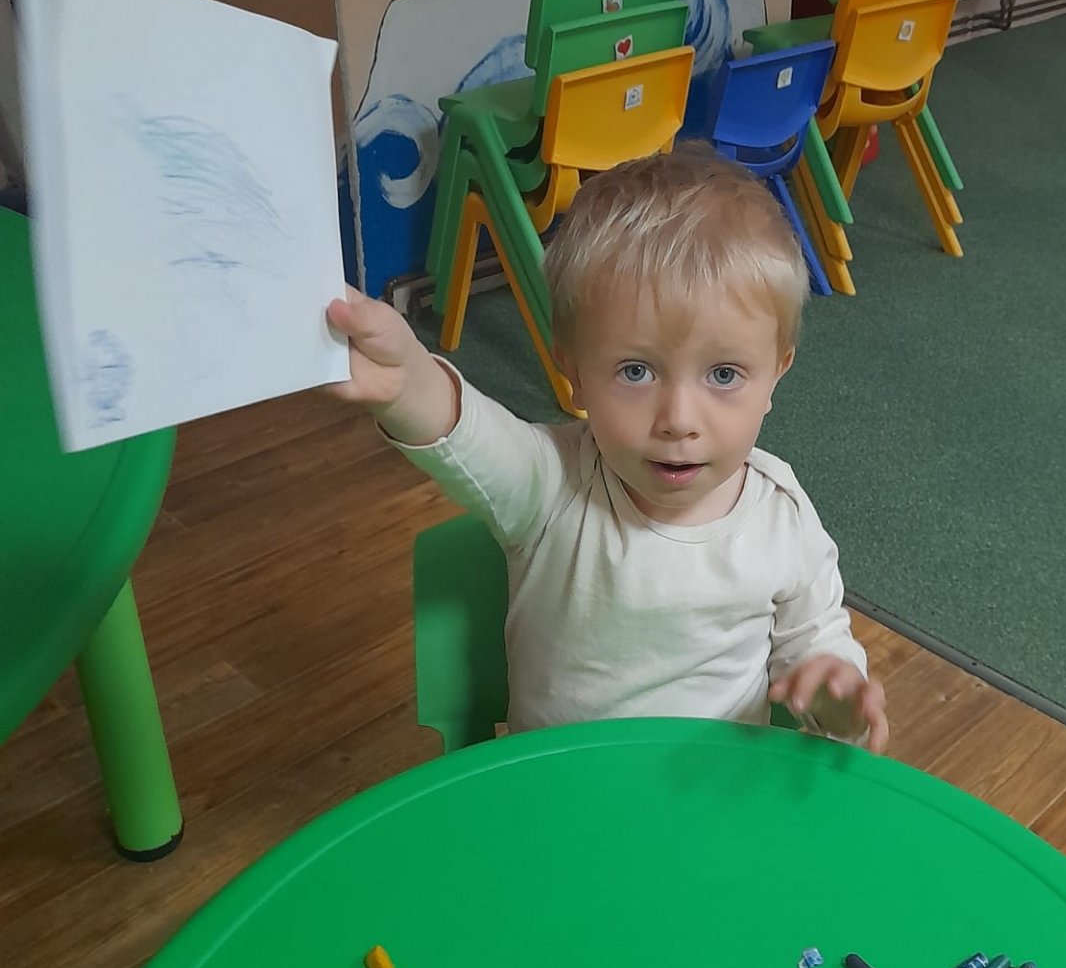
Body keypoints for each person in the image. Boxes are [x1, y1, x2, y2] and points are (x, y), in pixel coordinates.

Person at [326, 145, 888, 751]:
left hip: (714, 792)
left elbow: (817, 642)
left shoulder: (784, 518)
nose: (678, 421)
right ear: (572, 370)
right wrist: (408, 382)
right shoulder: (552, 485)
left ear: (775, 375)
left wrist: (837, 695)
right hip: (561, 790)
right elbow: (471, 436)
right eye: (636, 371)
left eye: (724, 374)